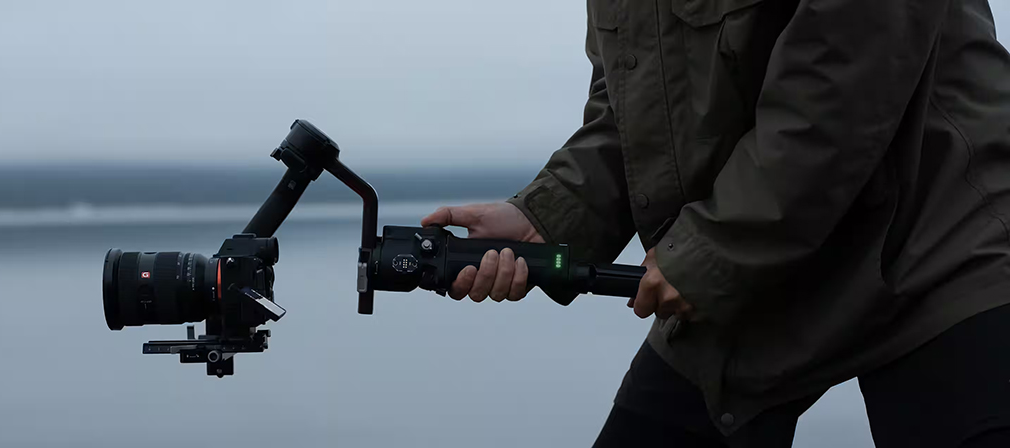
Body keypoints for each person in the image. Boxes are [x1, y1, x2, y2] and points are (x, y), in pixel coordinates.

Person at [423, 1, 1010, 446]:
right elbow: (631, 110)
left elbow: (844, 78)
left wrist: (711, 252)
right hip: (747, 269)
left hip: (932, 247)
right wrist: (543, 219)